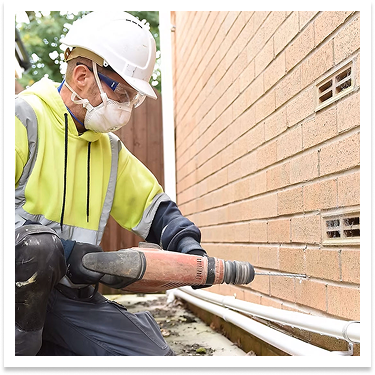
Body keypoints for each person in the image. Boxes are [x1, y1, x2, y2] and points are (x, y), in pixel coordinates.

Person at [15, 11, 206, 356]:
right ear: (83, 75)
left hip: (69, 298)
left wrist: (188, 246)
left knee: (153, 356)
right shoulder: (23, 119)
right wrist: (65, 253)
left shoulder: (108, 150)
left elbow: (153, 207)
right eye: (122, 93)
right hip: (14, 296)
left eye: (134, 98)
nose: (127, 107)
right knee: (38, 250)